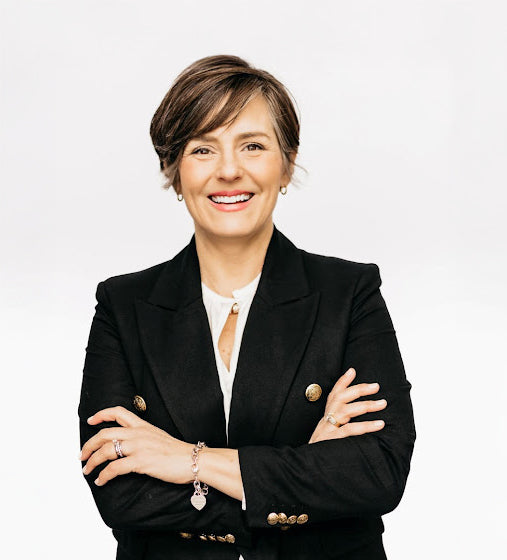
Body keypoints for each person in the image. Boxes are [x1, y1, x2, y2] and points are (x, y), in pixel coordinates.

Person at [78, 54, 415, 560]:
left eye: (253, 146)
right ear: (174, 171)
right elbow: (120, 493)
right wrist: (304, 468)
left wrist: (187, 461)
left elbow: (377, 474)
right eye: (202, 149)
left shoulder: (350, 292)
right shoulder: (123, 306)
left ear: (287, 162)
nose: (229, 170)